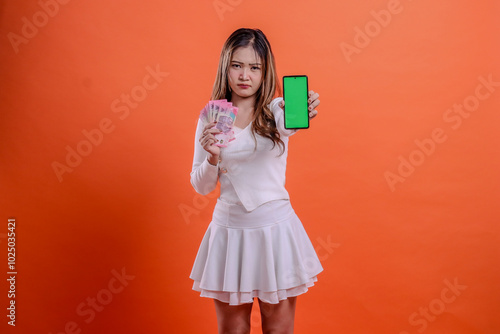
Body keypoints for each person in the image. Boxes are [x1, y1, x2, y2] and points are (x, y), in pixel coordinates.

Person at [189, 28, 323, 334]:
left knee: (278, 330)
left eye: (254, 67)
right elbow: (202, 186)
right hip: (229, 232)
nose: (245, 75)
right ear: (226, 67)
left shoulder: (274, 110)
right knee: (233, 330)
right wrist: (212, 157)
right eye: (237, 65)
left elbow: (288, 124)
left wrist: (299, 110)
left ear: (265, 71)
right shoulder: (213, 116)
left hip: (275, 232)